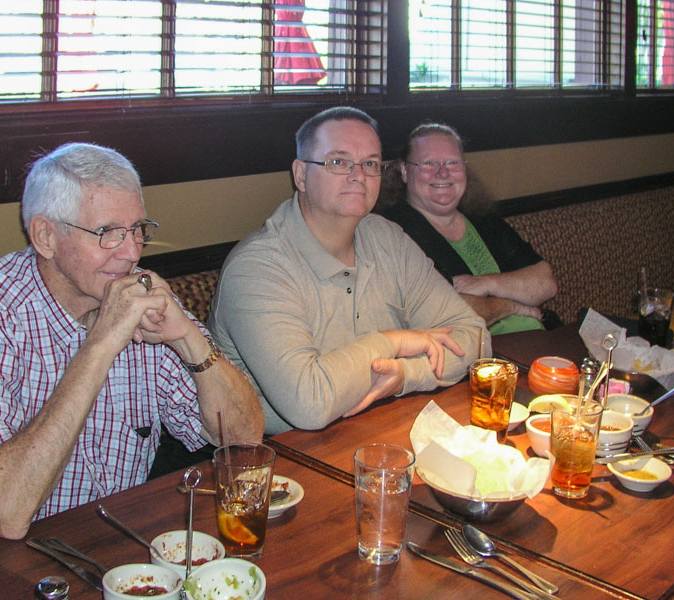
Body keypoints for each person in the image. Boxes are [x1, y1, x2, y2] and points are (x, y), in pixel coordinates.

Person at [0, 142, 263, 539]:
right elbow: (6, 513)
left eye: (137, 230)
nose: (130, 253)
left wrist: (189, 339)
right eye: (106, 232)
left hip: (103, 531)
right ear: (45, 236)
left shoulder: (139, 293)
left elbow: (244, 441)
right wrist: (100, 343)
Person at [208, 107, 489, 435]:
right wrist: (391, 342)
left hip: (380, 432)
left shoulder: (386, 238)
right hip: (277, 460)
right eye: (338, 162)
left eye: (370, 163)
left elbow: (475, 338)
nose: (359, 175)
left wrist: (404, 375)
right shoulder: (257, 269)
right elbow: (309, 405)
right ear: (300, 175)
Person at [380, 123, 558, 335]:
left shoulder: (481, 217)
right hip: (476, 357)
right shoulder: (394, 230)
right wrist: (515, 306)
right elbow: (446, 313)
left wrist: (486, 284)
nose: (443, 173)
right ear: (405, 171)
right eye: (429, 163)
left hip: (537, 340)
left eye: (452, 163)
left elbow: (545, 282)